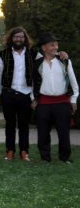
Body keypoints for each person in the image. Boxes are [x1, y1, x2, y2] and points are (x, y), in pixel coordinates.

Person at [33, 33, 78, 163]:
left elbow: (73, 82)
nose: (55, 47)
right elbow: (33, 83)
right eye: (52, 45)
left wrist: (74, 100)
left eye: (56, 44)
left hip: (62, 102)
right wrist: (33, 98)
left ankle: (65, 157)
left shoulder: (64, 61)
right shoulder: (37, 63)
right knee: (43, 132)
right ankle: (45, 158)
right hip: (44, 103)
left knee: (63, 132)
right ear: (44, 48)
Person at [0, 27, 39, 161]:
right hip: (8, 94)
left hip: (26, 95)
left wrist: (60, 54)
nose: (18, 39)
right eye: (16, 37)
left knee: (24, 125)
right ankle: (10, 151)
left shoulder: (34, 54)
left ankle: (24, 152)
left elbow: (47, 63)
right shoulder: (3, 54)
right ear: (11, 39)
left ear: (25, 39)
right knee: (9, 125)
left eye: (21, 37)